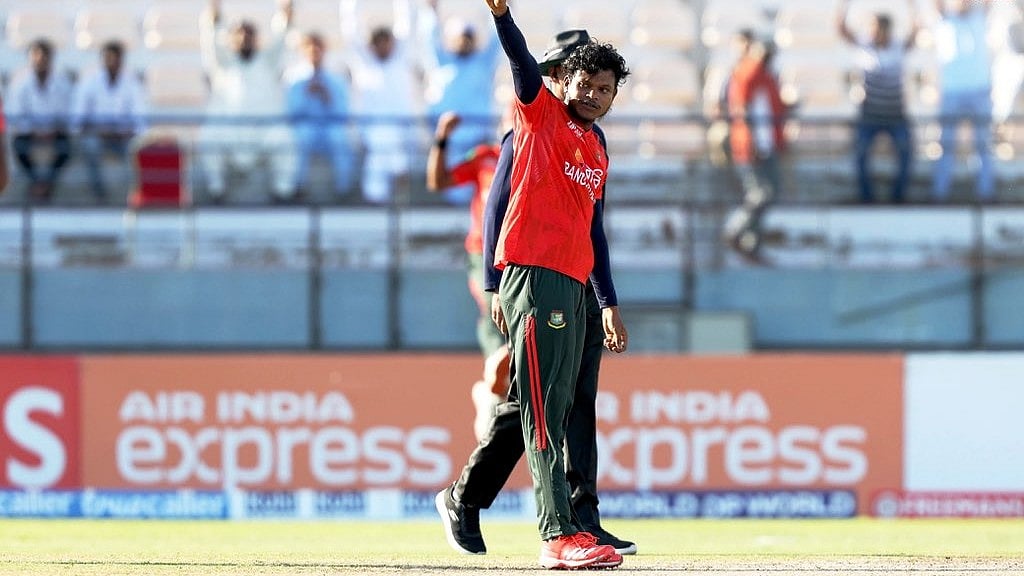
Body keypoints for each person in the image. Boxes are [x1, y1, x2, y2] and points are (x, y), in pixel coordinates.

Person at [434, 27, 636, 563]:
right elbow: (522, 64)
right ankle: (558, 534)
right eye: (586, 83)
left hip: (574, 282)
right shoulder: (539, 115)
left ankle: (464, 498)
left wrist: (607, 299)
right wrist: (502, 15)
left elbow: (594, 228)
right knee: (545, 409)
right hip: (534, 273)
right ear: (563, 81)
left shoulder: (595, 145)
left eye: (606, 89)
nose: (595, 94)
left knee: (544, 400)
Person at [426, 110, 507, 441]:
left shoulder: (539, 160)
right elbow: (438, 181)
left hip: (523, 256)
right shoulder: (486, 157)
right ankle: (495, 365)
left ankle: (495, 394)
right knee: (493, 309)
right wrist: (442, 138)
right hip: (484, 253)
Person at [197, 0, 298, 204]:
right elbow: (210, 41)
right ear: (232, 38)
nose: (244, 38)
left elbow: (281, 38)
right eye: (239, 34)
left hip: (264, 132)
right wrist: (214, 12)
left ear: (255, 39)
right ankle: (217, 191)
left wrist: (286, 11)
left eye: (249, 34)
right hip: (231, 133)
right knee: (208, 137)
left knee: (285, 139)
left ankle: (283, 192)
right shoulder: (223, 64)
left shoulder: (267, 62)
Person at [340, 0, 423, 205]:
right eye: (379, 42)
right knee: (375, 188)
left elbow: (407, 22)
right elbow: (351, 31)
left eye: (387, 41)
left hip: (401, 134)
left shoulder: (400, 58)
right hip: (374, 136)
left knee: (399, 165)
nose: (384, 46)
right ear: (372, 45)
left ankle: (400, 211)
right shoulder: (365, 62)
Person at [419, 0, 503, 204]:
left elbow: (498, 38)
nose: (464, 41)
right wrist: (431, 11)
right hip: (448, 146)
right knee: (444, 187)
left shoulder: (483, 62)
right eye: (460, 37)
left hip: (477, 146)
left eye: (468, 36)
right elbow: (430, 38)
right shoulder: (442, 61)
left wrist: (502, 10)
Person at [837, 0, 919, 204]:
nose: (873, 31)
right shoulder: (864, 47)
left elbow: (916, 31)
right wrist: (844, 6)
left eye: (876, 27)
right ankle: (867, 197)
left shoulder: (898, 47)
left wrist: (913, 7)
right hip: (869, 116)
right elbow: (842, 30)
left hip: (895, 116)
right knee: (859, 155)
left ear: (886, 29)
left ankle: (898, 196)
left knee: (907, 153)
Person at [723, 35, 786, 262]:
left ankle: (752, 243)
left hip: (767, 146)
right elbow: (743, 113)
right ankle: (735, 231)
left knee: (770, 193)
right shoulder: (746, 75)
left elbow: (772, 108)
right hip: (751, 148)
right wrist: (752, 143)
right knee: (760, 194)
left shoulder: (767, 77)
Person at [931, 0, 994, 202]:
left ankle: (986, 193)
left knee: (983, 144)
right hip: (952, 91)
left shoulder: (979, 15)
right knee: (946, 144)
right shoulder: (945, 19)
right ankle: (940, 194)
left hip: (979, 90)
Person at [70, 39, 148, 203]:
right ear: (102, 59)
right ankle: (99, 194)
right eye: (108, 58)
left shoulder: (132, 83)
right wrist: (99, 130)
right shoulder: (90, 82)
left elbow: (140, 121)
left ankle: (133, 195)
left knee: (136, 149)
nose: (112, 62)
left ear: (122, 60)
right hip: (97, 136)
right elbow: (78, 120)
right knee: (90, 145)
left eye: (116, 58)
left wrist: (123, 131)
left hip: (122, 138)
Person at [286, 31, 357, 200]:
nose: (314, 52)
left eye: (318, 47)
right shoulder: (294, 79)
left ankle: (343, 189)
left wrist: (328, 98)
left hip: (329, 126)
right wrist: (306, 96)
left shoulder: (336, 80)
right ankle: (298, 186)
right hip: (307, 126)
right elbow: (291, 113)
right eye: (309, 48)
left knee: (339, 137)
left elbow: (343, 114)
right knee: (301, 137)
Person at [6, 38, 73, 203]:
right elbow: (15, 114)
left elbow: (66, 114)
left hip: (54, 132)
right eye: (37, 56)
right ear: (30, 58)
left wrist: (52, 130)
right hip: (29, 133)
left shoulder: (62, 82)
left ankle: (45, 184)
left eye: (45, 56)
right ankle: (38, 183)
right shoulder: (19, 83)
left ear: (51, 58)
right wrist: (35, 131)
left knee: (66, 148)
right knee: (18, 145)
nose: (41, 60)